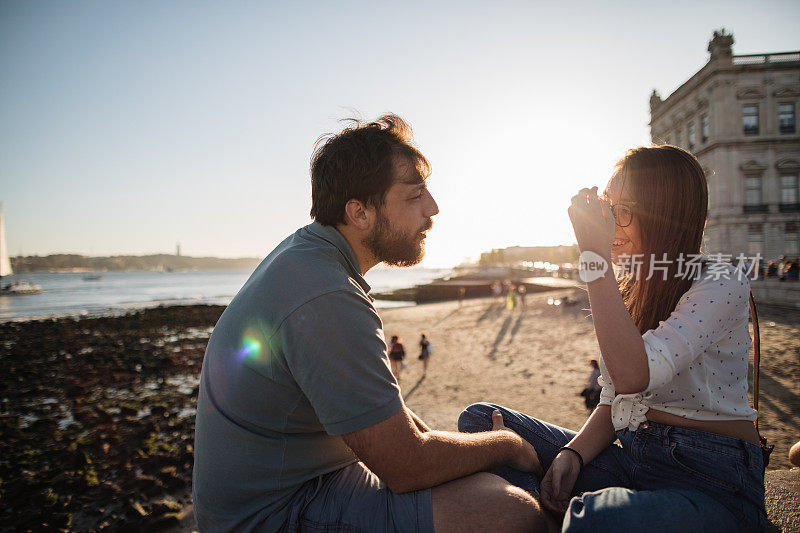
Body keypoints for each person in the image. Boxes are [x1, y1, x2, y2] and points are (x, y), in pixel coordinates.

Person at [193, 115, 547, 532]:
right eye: (415, 196)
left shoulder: (308, 255)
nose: (432, 209)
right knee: (511, 512)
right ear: (359, 212)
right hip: (276, 514)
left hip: (302, 481)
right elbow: (406, 466)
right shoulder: (326, 294)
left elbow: (389, 420)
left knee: (485, 475)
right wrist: (507, 445)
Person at [459, 145, 767, 531]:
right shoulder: (629, 286)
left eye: (624, 211)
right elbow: (618, 398)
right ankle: (547, 507)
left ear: (666, 215)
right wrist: (573, 454)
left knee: (599, 519)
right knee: (479, 421)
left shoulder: (721, 282)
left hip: (710, 479)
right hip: (632, 457)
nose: (609, 224)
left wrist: (595, 259)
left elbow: (632, 375)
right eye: (608, 208)